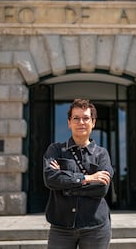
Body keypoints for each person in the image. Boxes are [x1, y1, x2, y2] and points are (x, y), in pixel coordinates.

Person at [43, 99, 114, 249]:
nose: (81, 122)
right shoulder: (55, 150)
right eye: (76, 118)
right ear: (69, 122)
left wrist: (65, 186)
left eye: (86, 118)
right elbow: (50, 179)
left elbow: (101, 189)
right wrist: (86, 178)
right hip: (61, 227)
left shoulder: (102, 154)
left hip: (95, 227)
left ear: (93, 122)